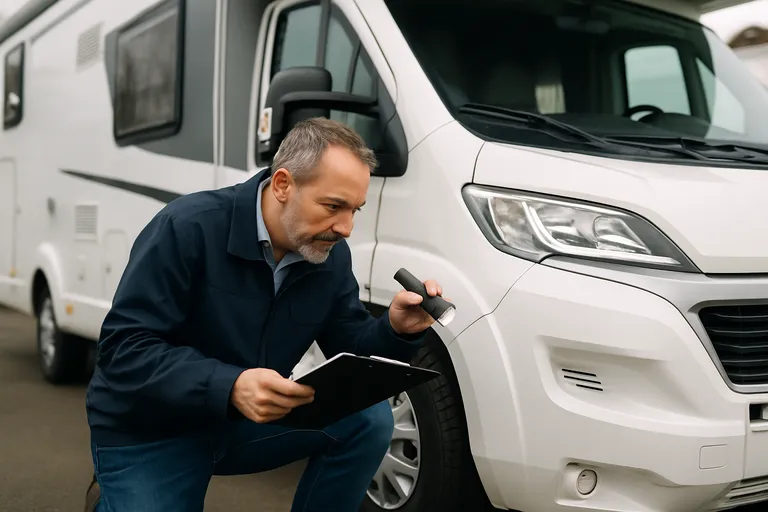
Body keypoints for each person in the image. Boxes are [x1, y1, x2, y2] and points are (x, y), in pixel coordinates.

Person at [84, 117, 446, 512]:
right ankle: (114, 498)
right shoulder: (187, 227)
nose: (346, 227)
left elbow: (350, 343)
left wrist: (396, 329)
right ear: (283, 185)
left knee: (370, 420)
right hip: (153, 431)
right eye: (333, 206)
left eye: (355, 209)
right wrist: (231, 385)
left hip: (244, 423)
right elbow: (124, 350)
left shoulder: (327, 255)